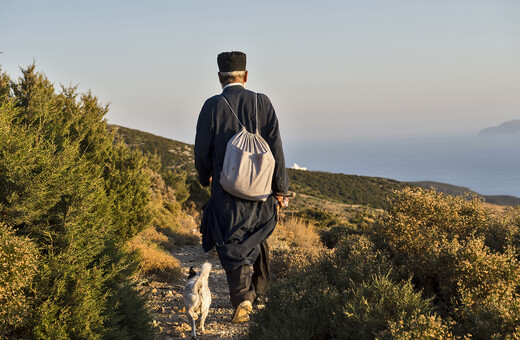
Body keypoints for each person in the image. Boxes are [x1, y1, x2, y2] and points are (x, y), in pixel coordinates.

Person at [194, 51, 289, 322]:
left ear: (219, 78)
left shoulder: (212, 106)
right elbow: (276, 147)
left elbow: (201, 151)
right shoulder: (263, 102)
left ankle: (243, 298)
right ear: (245, 76)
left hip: (226, 190)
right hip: (261, 190)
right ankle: (261, 295)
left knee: (233, 240)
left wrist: (205, 177)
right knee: (257, 236)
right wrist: (280, 188)